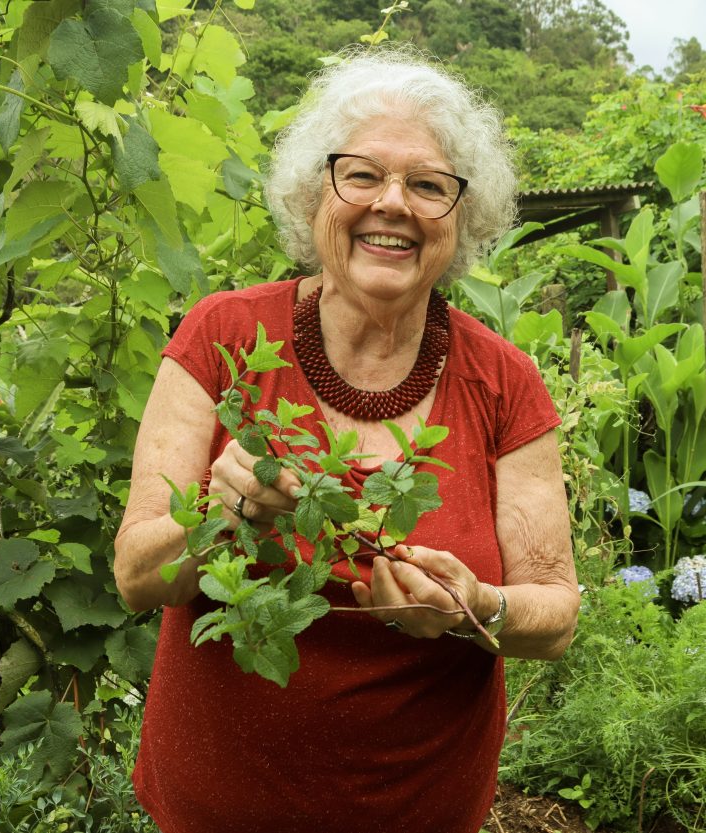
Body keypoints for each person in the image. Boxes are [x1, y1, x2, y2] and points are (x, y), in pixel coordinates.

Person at [114, 46, 580, 833]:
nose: (392, 203)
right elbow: (136, 574)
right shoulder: (222, 338)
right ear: (314, 195)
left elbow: (556, 611)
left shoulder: (504, 382)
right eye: (361, 175)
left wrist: (476, 604)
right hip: (218, 810)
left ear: (461, 219)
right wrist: (219, 513)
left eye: (429, 185)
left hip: (419, 811)